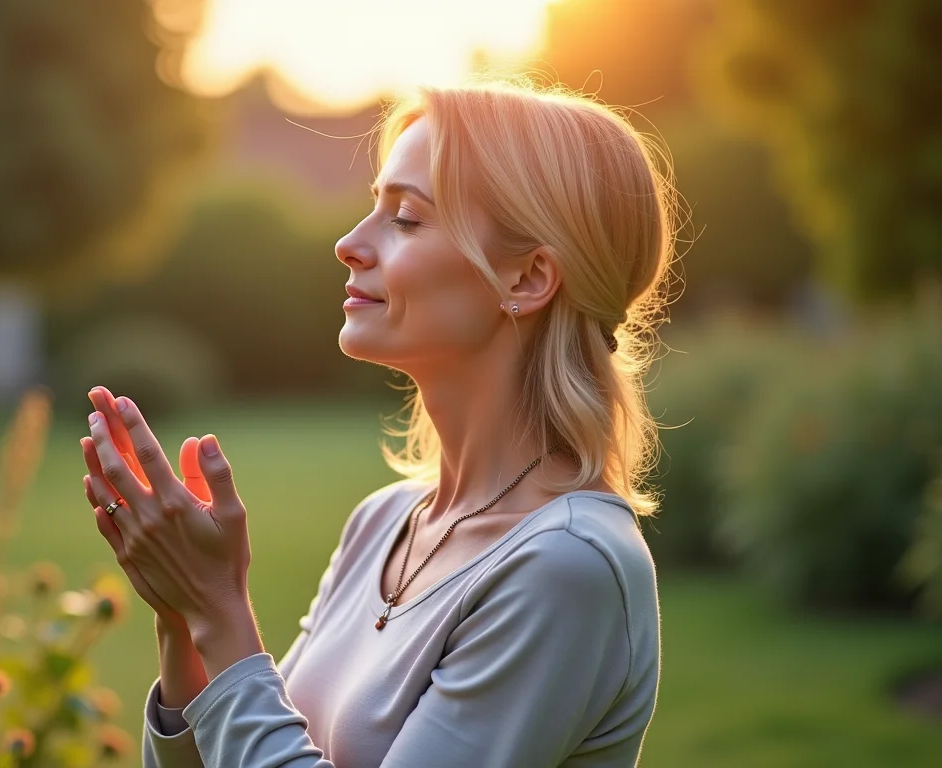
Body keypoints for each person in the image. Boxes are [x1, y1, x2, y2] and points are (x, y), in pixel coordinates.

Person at [80, 79, 677, 768]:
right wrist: (184, 622)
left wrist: (222, 612)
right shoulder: (385, 521)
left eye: (407, 218)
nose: (348, 244)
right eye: (374, 208)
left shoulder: (568, 567)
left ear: (527, 279)